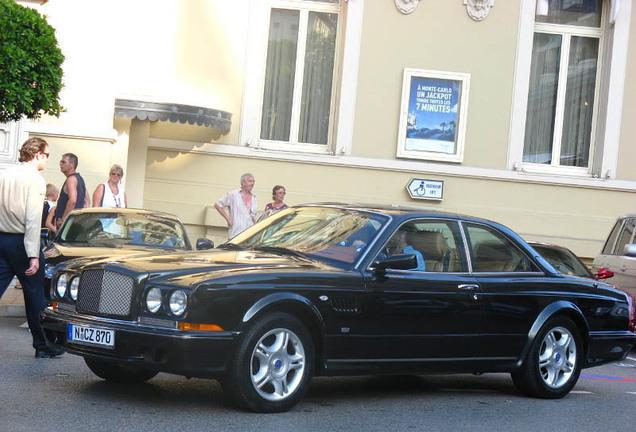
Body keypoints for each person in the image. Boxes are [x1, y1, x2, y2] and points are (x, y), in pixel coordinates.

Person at [0, 137, 64, 358]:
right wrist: (33, 255)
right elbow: (33, 220)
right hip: (23, 242)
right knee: (35, 295)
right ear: (37, 154)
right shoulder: (36, 180)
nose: (47, 160)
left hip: (2, 240)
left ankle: (43, 345)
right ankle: (43, 346)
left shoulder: (5, 174)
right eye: (47, 155)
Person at [214, 173, 258, 240]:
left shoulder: (253, 198)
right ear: (243, 183)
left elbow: (253, 217)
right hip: (236, 234)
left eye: (253, 181)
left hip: (249, 236)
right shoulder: (233, 194)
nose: (252, 183)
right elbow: (218, 205)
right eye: (250, 181)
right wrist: (228, 219)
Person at [53, 153, 89, 229]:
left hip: (68, 226)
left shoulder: (71, 179)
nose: (60, 164)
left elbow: (72, 200)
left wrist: (63, 220)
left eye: (63, 162)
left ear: (72, 165)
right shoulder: (80, 179)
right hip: (76, 223)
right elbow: (87, 201)